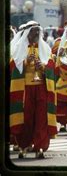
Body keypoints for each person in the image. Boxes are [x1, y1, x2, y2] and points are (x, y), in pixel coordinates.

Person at [9, 21, 57, 159]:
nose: (36, 34)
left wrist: (42, 66)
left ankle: (40, 146)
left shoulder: (45, 48)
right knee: (27, 118)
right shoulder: (19, 47)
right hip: (25, 89)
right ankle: (23, 145)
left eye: (38, 31)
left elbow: (51, 66)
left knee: (41, 117)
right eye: (33, 31)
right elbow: (13, 66)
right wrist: (24, 62)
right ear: (28, 33)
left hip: (41, 87)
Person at [53, 21, 67, 131]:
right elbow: (57, 61)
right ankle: (62, 124)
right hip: (63, 78)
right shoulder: (60, 43)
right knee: (62, 104)